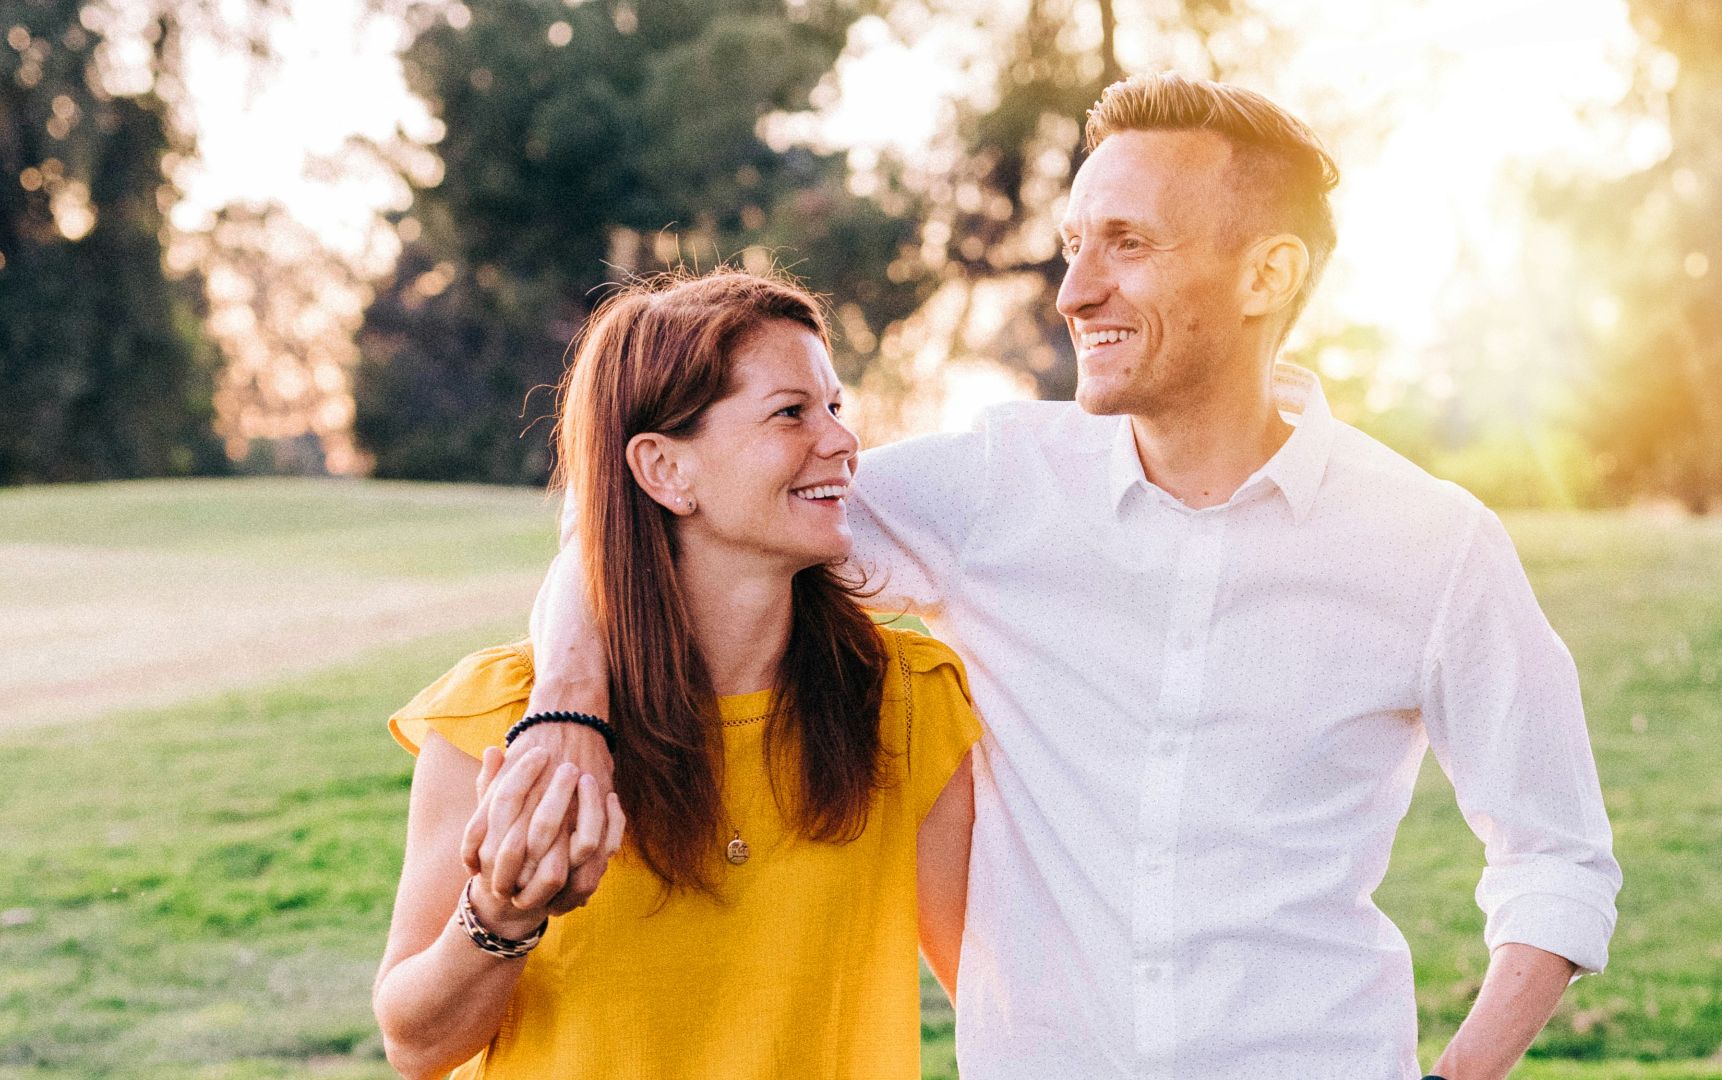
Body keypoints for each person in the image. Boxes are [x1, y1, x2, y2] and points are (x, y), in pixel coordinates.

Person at [499, 74, 1623, 1079]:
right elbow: (641, 531)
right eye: (1074, 242)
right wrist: (567, 712)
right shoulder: (997, 485)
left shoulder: (1433, 546)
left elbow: (1557, 859)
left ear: (1267, 274)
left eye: (1127, 244)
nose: (1073, 290)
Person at [370, 271, 980, 1079]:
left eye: (835, 407)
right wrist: (502, 915)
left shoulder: (906, 703)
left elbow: (1000, 994)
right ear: (663, 470)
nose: (841, 441)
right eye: (791, 412)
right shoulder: (503, 716)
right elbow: (415, 1045)